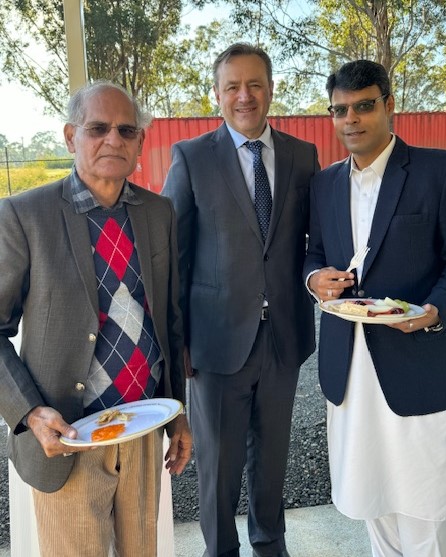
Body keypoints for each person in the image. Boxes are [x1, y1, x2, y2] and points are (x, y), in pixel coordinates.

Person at [0, 80, 192, 557]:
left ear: (140, 143)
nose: (113, 140)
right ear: (71, 137)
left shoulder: (158, 213)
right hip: (69, 437)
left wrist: (178, 415)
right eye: (98, 128)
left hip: (143, 429)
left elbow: (167, 320)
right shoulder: (24, 215)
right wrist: (27, 413)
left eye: (126, 130)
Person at [304, 59, 446, 556]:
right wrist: (314, 279)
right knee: (372, 493)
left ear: (389, 104)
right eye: (340, 110)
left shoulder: (441, 170)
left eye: (364, 106)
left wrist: (434, 311)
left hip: (424, 365)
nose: (352, 120)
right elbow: (314, 255)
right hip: (352, 370)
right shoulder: (325, 184)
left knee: (434, 497)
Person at [162, 43, 320, 557]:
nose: (245, 96)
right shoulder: (191, 157)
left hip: (283, 340)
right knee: (220, 467)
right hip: (217, 343)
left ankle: (270, 546)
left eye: (254, 84)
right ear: (218, 94)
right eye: (232, 86)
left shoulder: (302, 155)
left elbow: (311, 242)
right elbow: (174, 256)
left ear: (271, 89)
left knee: (272, 460)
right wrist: (179, 340)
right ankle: (220, 552)